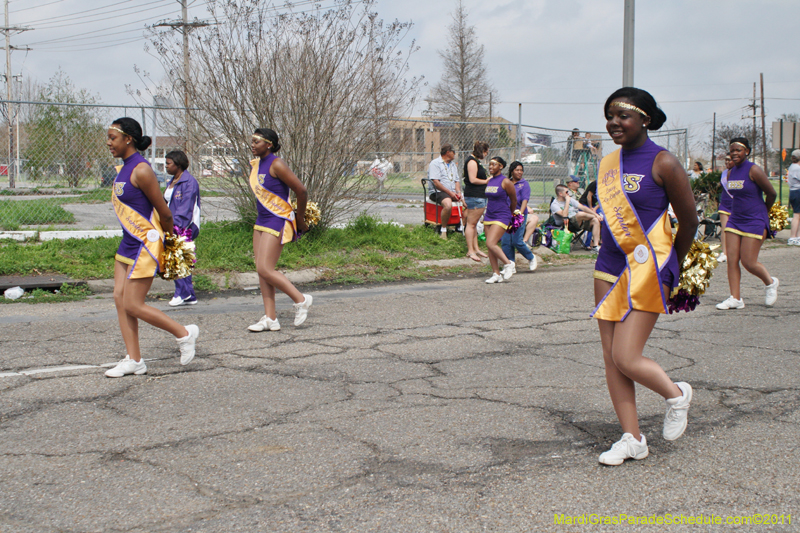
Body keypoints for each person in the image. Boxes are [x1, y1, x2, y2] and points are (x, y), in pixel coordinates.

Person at [592, 88, 697, 466]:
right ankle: (632, 438)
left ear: (645, 119)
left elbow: (690, 221)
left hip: (649, 268)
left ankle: (676, 393)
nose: (614, 123)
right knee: (610, 357)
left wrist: (674, 265)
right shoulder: (608, 164)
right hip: (608, 266)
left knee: (626, 355)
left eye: (623, 116)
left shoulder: (664, 162)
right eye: (610, 116)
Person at [104, 118, 199, 378]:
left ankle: (184, 333)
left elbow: (165, 213)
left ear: (128, 139)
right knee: (119, 299)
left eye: (113, 137)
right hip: (127, 244)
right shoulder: (123, 168)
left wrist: (171, 245)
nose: (109, 142)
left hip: (144, 245)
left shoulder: (141, 169)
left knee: (133, 305)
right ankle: (134, 359)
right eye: (109, 137)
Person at [247, 128, 313, 332]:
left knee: (266, 269)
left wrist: (300, 219)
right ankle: (270, 317)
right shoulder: (257, 164)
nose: (252, 145)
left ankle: (301, 300)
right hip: (261, 220)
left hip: (277, 220)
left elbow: (301, 190)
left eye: (257, 141)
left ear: (269, 144)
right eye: (252, 141)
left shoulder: (277, 163)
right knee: (261, 271)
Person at [715, 137, 778, 310]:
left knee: (749, 262)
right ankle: (736, 298)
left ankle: (770, 283)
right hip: (736, 219)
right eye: (732, 150)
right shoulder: (731, 172)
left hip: (755, 219)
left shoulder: (754, 170)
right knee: (732, 259)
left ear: (747, 152)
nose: (734, 153)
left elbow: (771, 193)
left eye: (738, 150)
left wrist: (764, 210)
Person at [164, 150, 201, 306]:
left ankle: (181, 292)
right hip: (171, 224)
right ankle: (189, 295)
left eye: (168, 163)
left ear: (178, 164)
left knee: (175, 257)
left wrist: (176, 226)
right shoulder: (172, 181)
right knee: (183, 259)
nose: (166, 166)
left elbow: (186, 208)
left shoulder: (189, 182)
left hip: (184, 225)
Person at [482, 156, 517, 283]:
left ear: (501, 167)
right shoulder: (490, 180)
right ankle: (496, 274)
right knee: (490, 246)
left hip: (502, 215)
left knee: (490, 243)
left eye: (494, 164)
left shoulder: (506, 181)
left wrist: (510, 214)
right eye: (489, 164)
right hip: (489, 215)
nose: (490, 167)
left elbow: (514, 200)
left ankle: (508, 264)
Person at [500, 161, 538, 271]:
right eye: (517, 170)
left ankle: (531, 257)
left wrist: (520, 214)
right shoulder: (507, 183)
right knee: (506, 241)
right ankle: (510, 264)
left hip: (518, 214)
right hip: (506, 215)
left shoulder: (524, 184)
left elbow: (525, 200)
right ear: (512, 171)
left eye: (521, 170)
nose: (520, 172)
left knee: (517, 241)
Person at [550, 184, 602, 251]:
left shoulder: (570, 199)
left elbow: (582, 207)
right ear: (560, 193)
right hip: (567, 224)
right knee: (580, 214)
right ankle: (596, 216)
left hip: (578, 222)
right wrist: (567, 202)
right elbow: (564, 215)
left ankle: (595, 246)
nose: (568, 193)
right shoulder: (555, 204)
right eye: (566, 192)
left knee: (595, 220)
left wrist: (595, 214)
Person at [427, 144, 462, 239]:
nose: (455, 154)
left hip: (451, 191)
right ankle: (443, 229)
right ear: (448, 152)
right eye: (453, 152)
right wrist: (450, 193)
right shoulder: (435, 163)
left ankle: (460, 225)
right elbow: (436, 182)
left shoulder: (453, 165)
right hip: (437, 191)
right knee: (447, 204)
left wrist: (458, 192)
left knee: (467, 202)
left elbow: (457, 180)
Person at [463, 141, 490, 262]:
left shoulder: (476, 161)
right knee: (471, 224)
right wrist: (486, 181)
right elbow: (473, 179)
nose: (486, 155)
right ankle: (470, 250)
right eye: (485, 152)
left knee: (474, 223)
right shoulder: (472, 162)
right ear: (481, 151)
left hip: (480, 196)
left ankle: (476, 248)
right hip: (474, 196)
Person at [716, 153, 735, 262]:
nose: (727, 162)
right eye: (726, 160)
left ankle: (734, 251)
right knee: (724, 229)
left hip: (736, 204)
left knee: (734, 230)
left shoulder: (739, 173)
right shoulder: (724, 173)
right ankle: (724, 252)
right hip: (725, 203)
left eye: (729, 160)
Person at [787, 150, 800, 245]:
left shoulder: (792, 167)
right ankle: (793, 237)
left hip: (793, 191)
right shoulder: (797, 168)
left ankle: (797, 236)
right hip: (798, 191)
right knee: (797, 215)